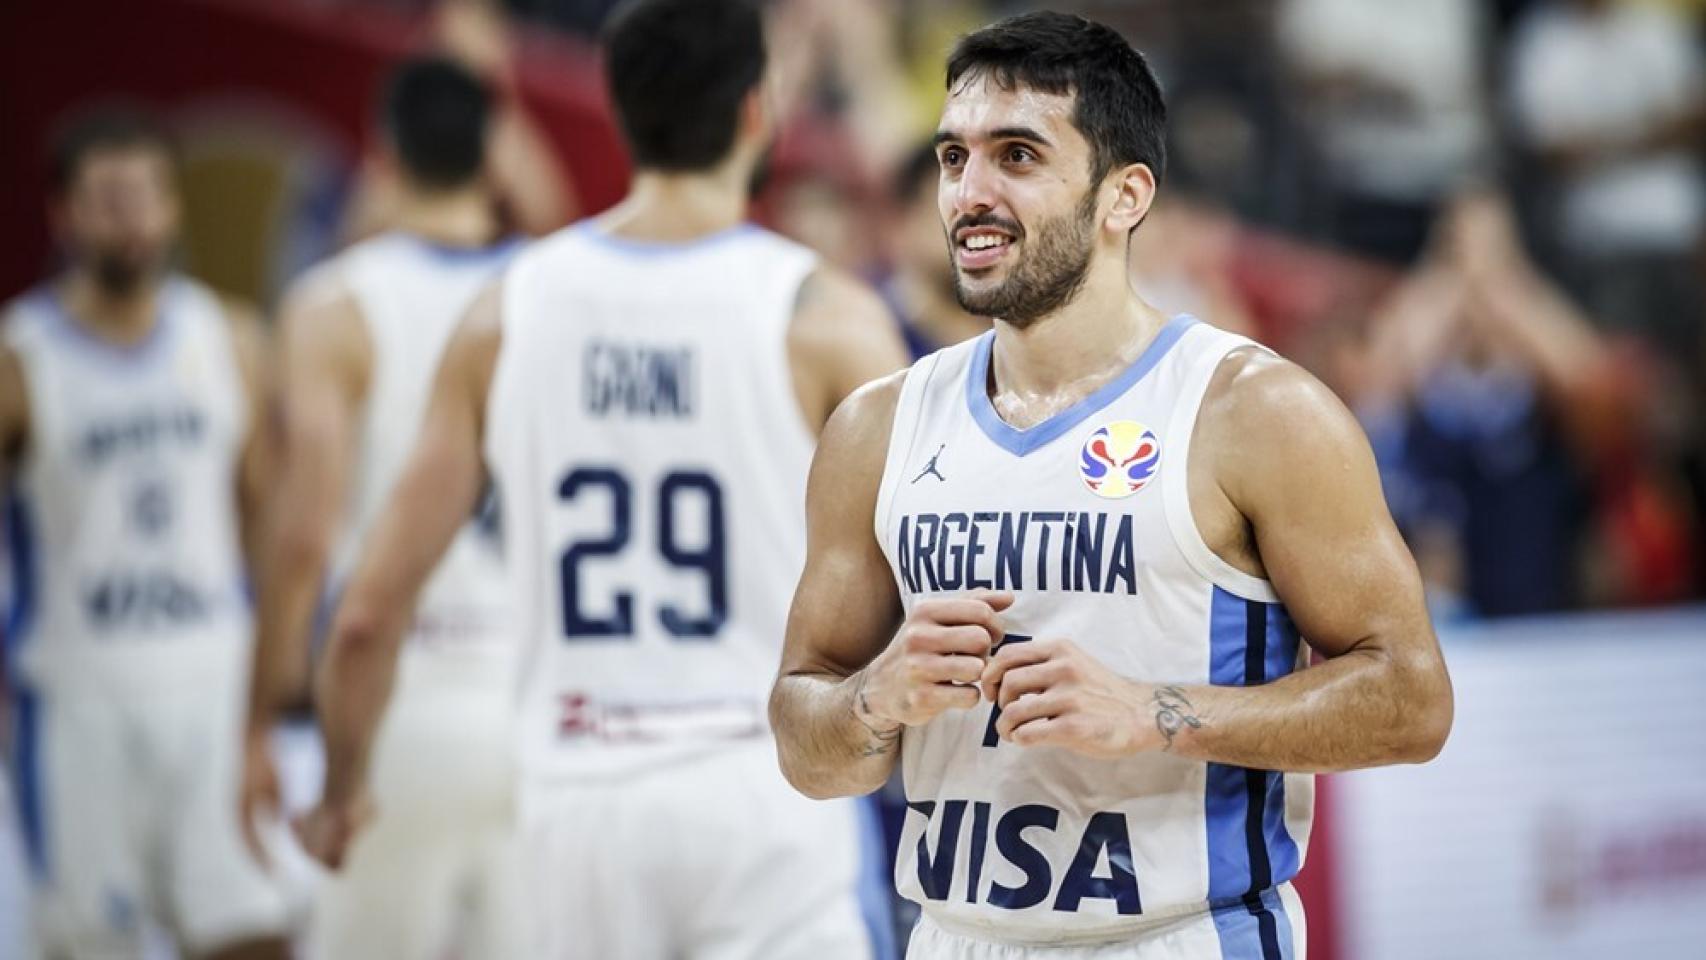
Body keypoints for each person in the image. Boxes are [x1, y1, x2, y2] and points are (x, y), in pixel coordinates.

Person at [770, 12, 1454, 959]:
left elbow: (1413, 703)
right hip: (953, 936)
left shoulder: (1256, 412)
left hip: (1177, 935)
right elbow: (804, 742)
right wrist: (875, 699)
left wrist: (1156, 714)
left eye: (1017, 156)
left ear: (1124, 194)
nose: (971, 192)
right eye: (953, 157)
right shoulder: (875, 427)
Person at [294, 0, 910, 957]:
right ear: (758, 111)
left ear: (618, 114)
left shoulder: (507, 312)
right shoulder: (827, 316)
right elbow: (916, 586)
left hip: (576, 801)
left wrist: (340, 792)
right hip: (765, 787)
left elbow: (370, 610)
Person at [240, 56, 524, 959]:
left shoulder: (336, 306)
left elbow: (304, 534)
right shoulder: (562, 292)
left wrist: (261, 718)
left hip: (403, 703)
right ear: (494, 155)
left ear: (382, 153)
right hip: (547, 705)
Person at [0, 108, 289, 959]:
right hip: (81, 702)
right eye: (106, 198)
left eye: (144, 197)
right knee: (93, 945)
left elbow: (264, 526)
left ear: (173, 208)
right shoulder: (21, 359)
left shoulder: (230, 336)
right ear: (64, 213)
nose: (128, 218)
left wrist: (265, 713)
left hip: (211, 684)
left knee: (254, 935)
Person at [883, 142, 991, 359]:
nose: (976, 229)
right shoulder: (873, 329)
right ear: (903, 223)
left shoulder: (1019, 335)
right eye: (954, 211)